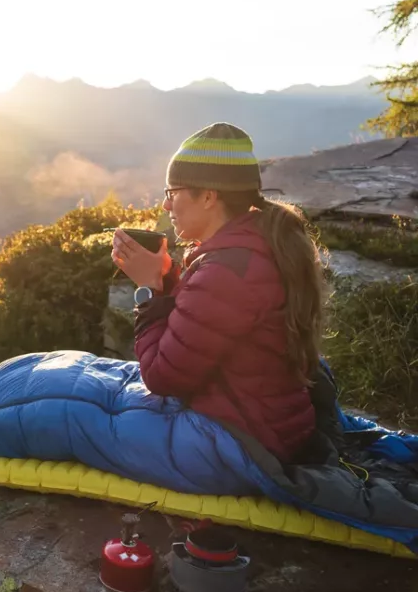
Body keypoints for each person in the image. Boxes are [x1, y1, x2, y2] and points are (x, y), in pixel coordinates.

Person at [110, 122, 326, 463]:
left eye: (172, 193)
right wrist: (166, 279)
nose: (167, 206)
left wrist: (148, 289)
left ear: (209, 196)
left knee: (67, 421)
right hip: (260, 426)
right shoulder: (251, 249)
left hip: (240, 443)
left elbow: (161, 376)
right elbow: (199, 332)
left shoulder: (227, 272)